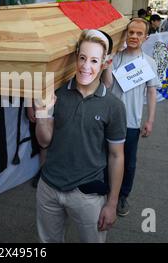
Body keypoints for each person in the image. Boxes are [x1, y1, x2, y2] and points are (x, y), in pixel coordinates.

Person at [34, 29, 126, 243]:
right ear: (76, 57)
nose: (86, 66)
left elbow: (116, 156)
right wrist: (41, 113)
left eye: (94, 61)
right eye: (82, 58)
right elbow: (44, 141)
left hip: (88, 195)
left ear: (104, 63)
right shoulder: (56, 94)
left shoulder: (113, 106)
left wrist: (112, 204)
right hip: (49, 188)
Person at [102, 18, 160, 217]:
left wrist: (150, 120)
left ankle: (122, 196)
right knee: (104, 157)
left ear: (146, 37)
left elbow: (152, 93)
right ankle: (105, 191)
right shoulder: (116, 58)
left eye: (139, 33)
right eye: (131, 32)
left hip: (132, 122)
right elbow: (108, 85)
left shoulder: (148, 62)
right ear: (126, 34)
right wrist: (107, 65)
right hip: (109, 120)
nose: (134, 36)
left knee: (129, 162)